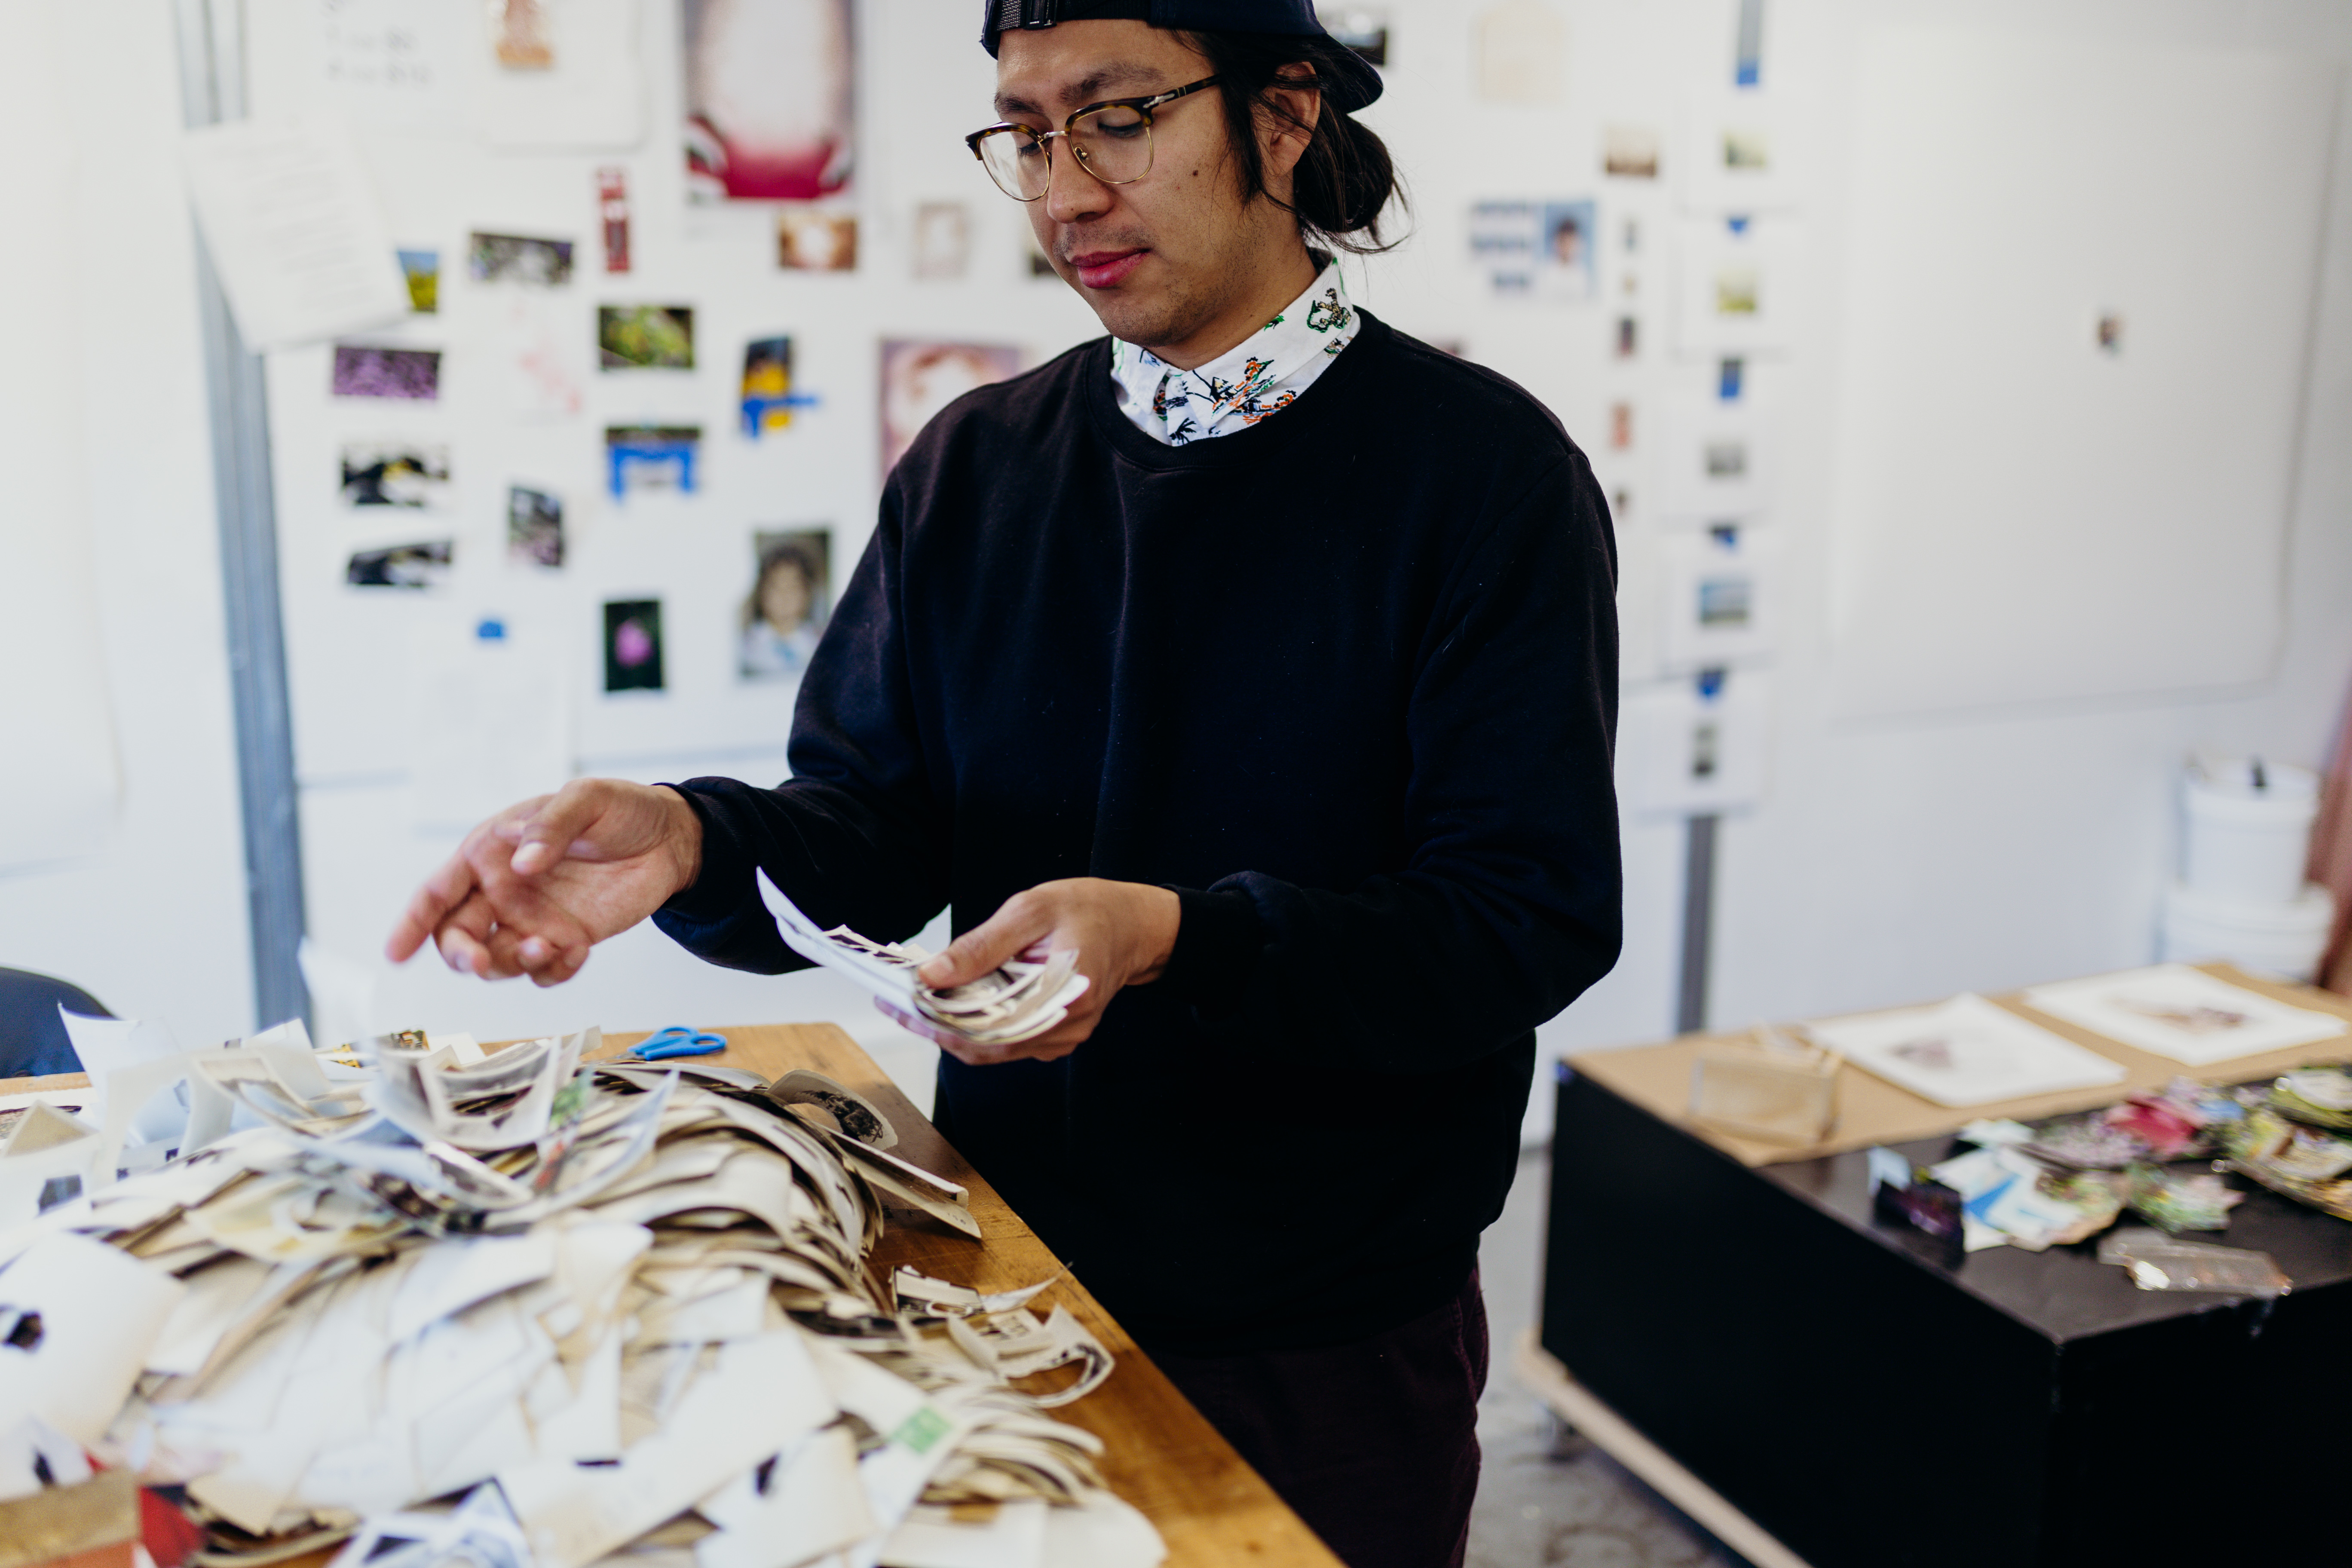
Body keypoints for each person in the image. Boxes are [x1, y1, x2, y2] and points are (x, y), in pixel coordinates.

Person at [386, 5, 1620, 1563]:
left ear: (1285, 113)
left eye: (1117, 118)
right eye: (1026, 133)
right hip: (1002, 1269)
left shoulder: (1483, 477)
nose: (1063, 191)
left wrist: (1177, 934)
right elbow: (876, 833)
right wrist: (694, 840)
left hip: (1324, 1334)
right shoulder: (977, 463)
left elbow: (1527, 918)